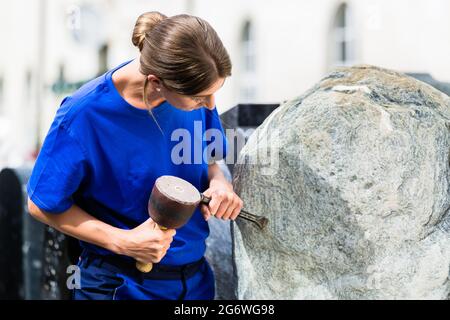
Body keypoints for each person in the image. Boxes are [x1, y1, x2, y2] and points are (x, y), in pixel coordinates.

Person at [26, 11, 243, 300]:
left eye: (214, 92)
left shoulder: (191, 95)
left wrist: (220, 184)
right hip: (118, 286)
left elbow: (210, 157)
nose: (211, 104)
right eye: (200, 97)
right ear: (156, 82)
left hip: (196, 284)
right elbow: (40, 204)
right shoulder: (83, 115)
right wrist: (124, 242)